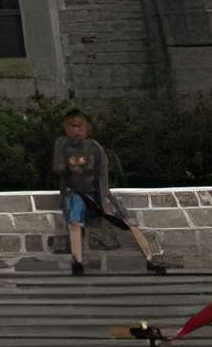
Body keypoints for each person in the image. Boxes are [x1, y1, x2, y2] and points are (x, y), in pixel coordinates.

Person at [53, 109, 167, 274]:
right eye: (73, 126)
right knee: (74, 218)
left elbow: (103, 174)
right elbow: (58, 168)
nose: (77, 130)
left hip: (96, 191)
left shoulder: (95, 147)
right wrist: (71, 165)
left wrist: (104, 197)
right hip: (75, 191)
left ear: (87, 127)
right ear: (66, 127)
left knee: (128, 220)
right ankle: (77, 261)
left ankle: (151, 258)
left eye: (80, 126)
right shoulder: (62, 144)